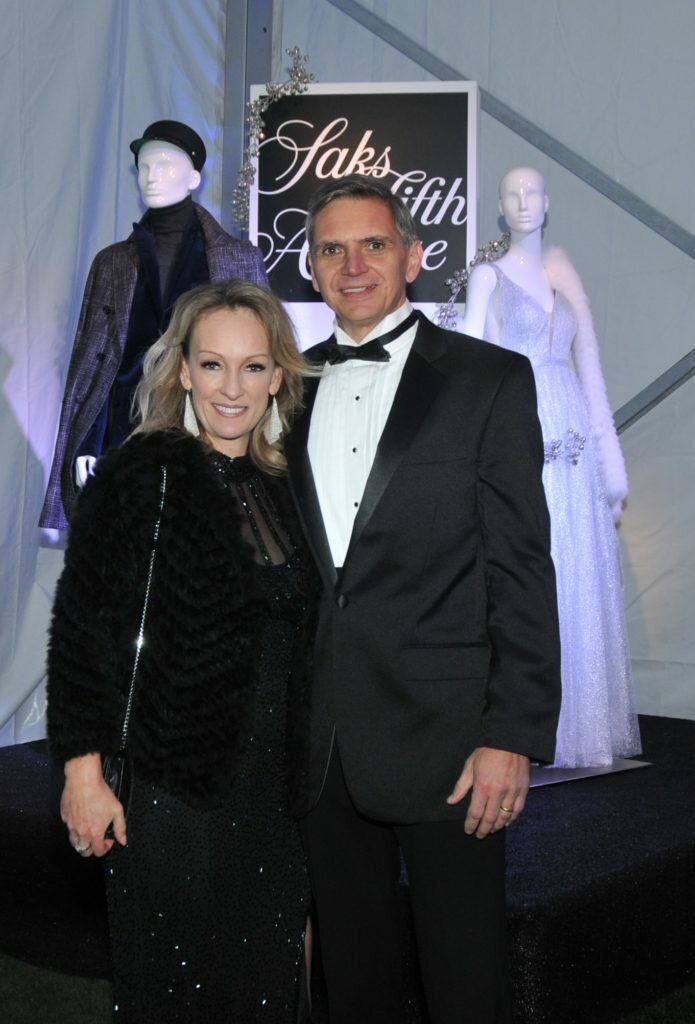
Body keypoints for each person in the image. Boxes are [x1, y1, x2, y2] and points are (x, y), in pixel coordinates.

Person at [284, 173, 562, 1024]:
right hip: (319, 743)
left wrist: (511, 735)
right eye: (331, 249)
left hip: (449, 744)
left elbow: (520, 566)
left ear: (411, 257)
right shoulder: (282, 386)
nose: (352, 265)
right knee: (352, 984)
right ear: (310, 267)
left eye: (372, 244)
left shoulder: (488, 380)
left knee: (464, 983)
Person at [47, 280, 315, 1023]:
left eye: (253, 367)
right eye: (212, 364)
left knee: (264, 988)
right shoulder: (143, 475)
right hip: (173, 793)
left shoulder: (291, 485)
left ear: (278, 376)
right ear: (183, 371)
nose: (232, 388)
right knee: (174, 992)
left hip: (276, 797)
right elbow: (82, 633)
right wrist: (83, 776)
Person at [460, 166, 641, 768]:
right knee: (528, 562)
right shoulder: (488, 277)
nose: (522, 201)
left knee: (577, 567)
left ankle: (578, 726)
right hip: (518, 423)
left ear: (548, 202)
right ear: (499, 207)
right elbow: (469, 361)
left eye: (531, 191)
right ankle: (524, 723)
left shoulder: (565, 283)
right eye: (511, 193)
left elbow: (587, 372)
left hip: (574, 438)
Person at [40, 119, 269, 531]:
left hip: (211, 427)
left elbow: (263, 358)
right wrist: (87, 444)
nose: (150, 176)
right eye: (143, 167)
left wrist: (260, 446)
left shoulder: (239, 259)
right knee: (126, 550)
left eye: (164, 164)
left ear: (194, 177)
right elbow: (91, 364)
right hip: (123, 433)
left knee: (206, 546)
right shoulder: (112, 262)